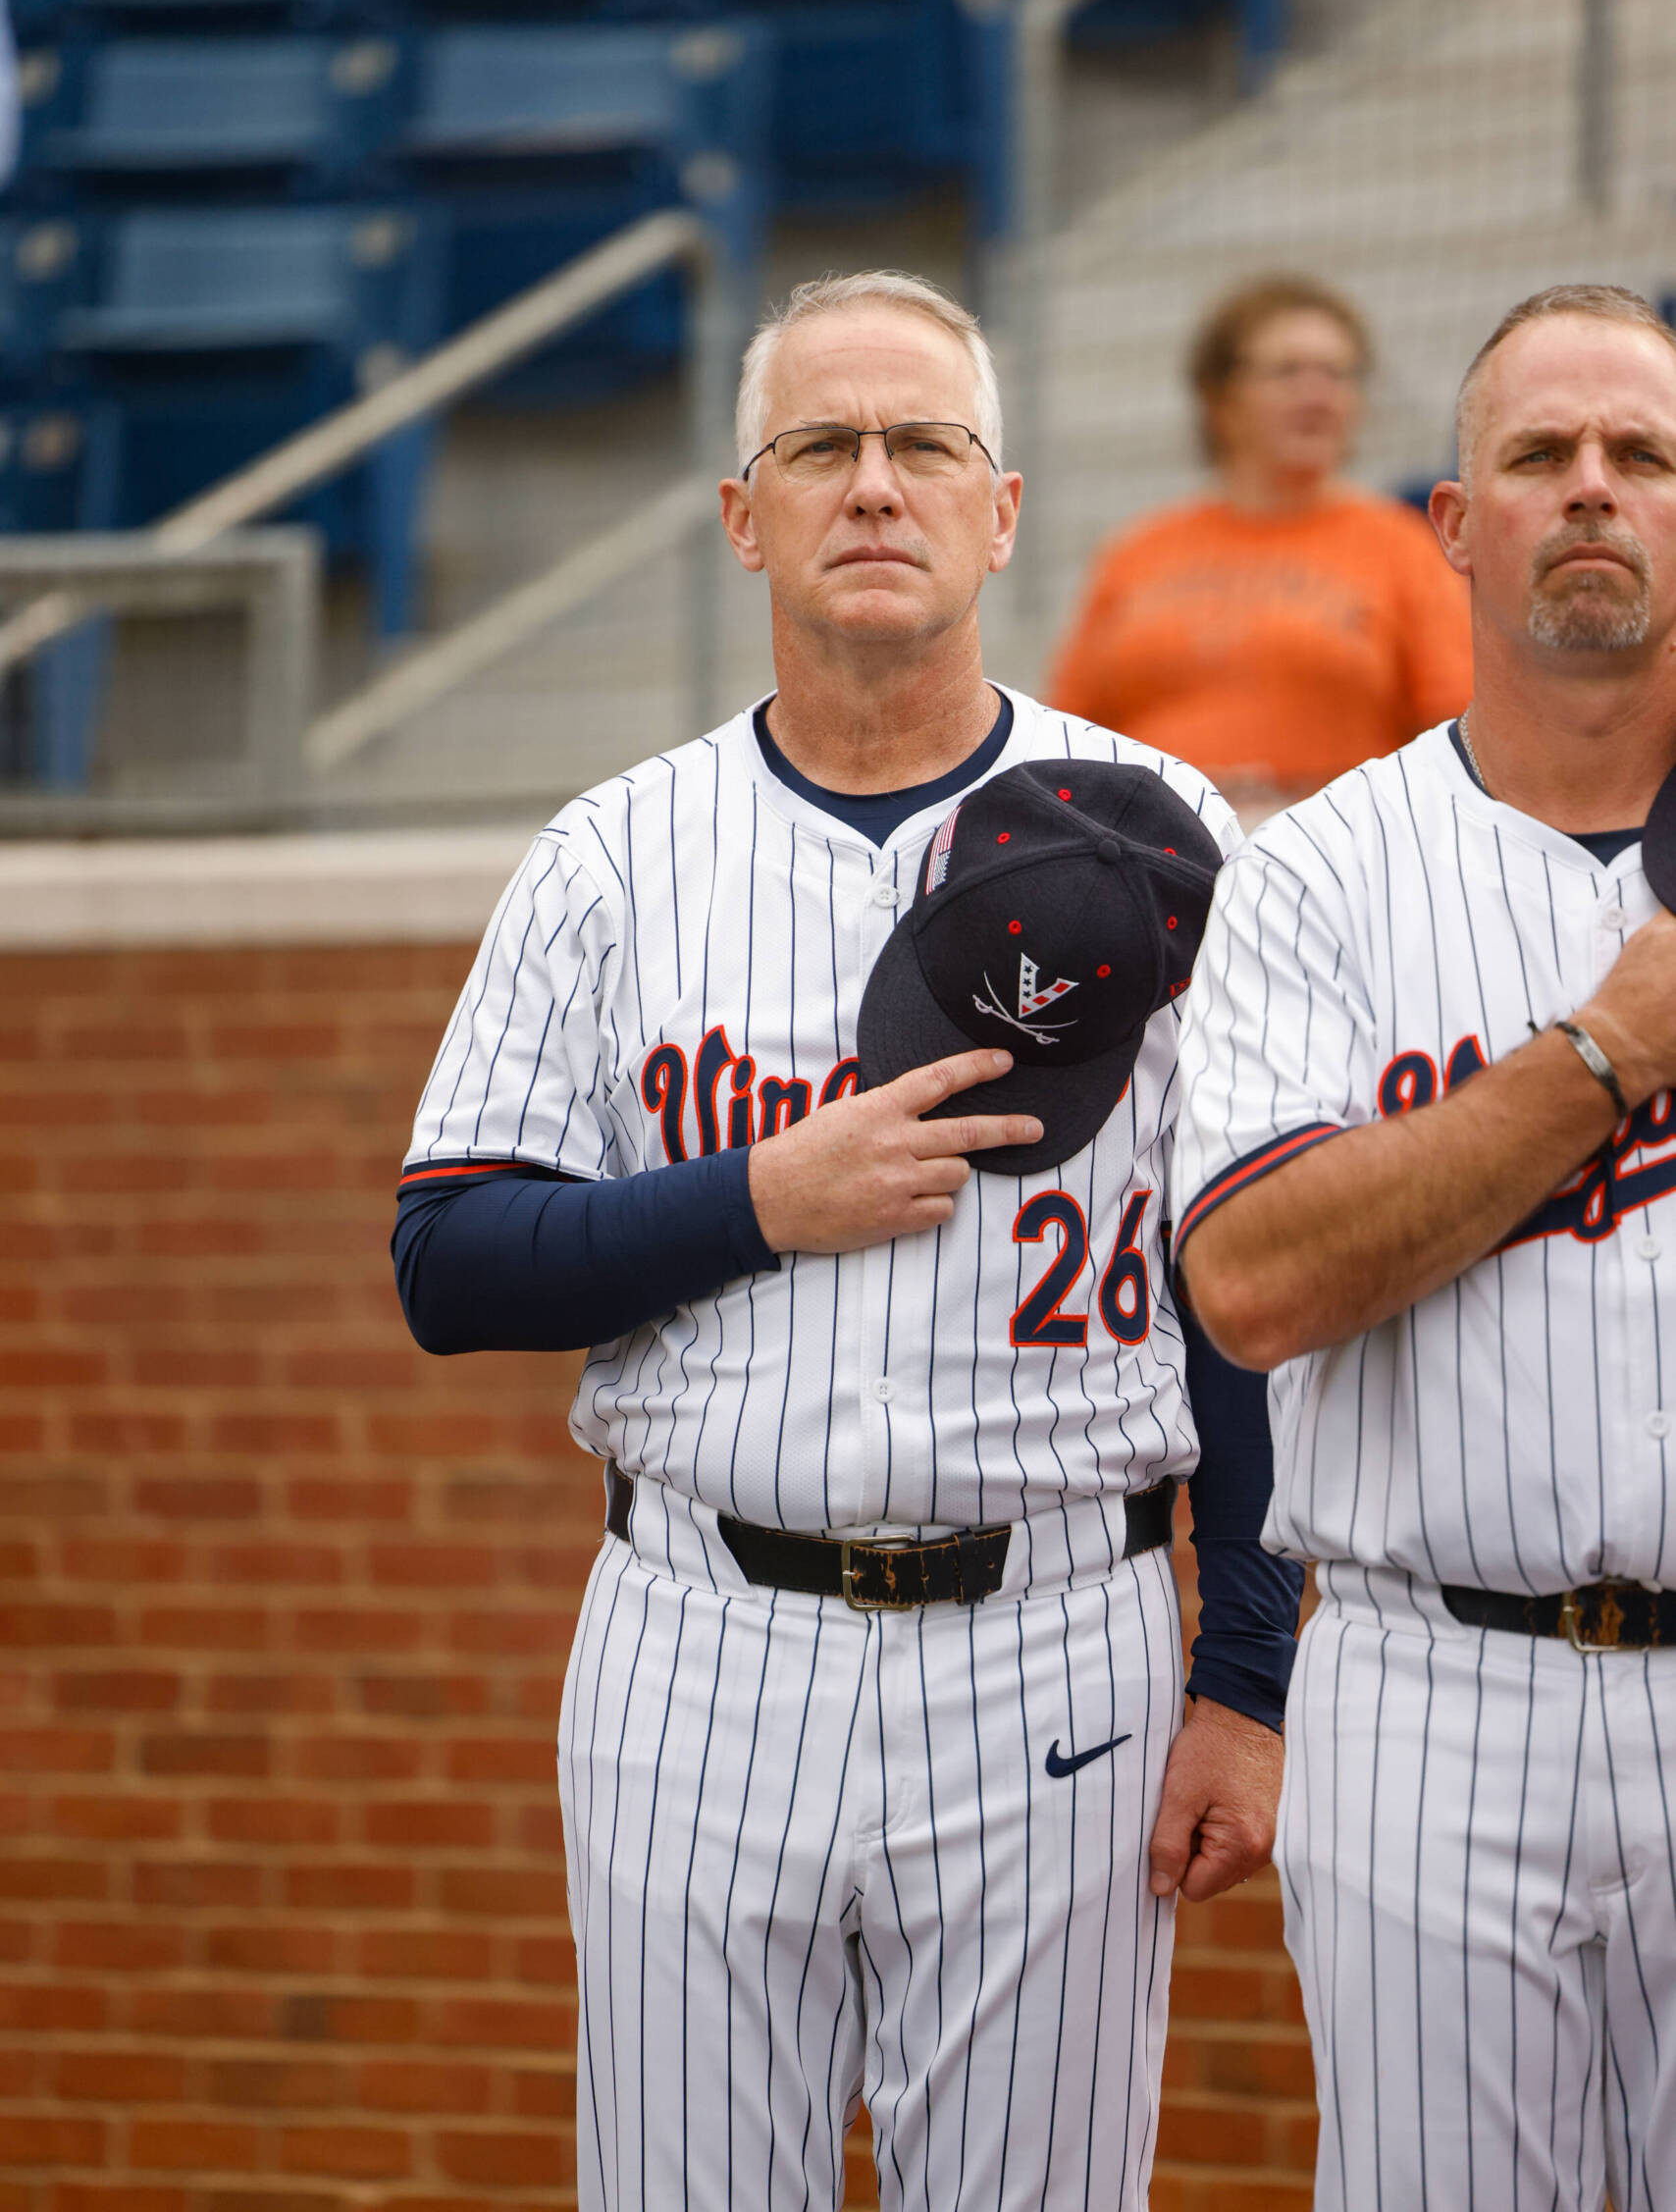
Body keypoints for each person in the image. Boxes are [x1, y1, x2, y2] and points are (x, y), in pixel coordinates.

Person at [393, 269, 1302, 2212]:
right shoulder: (612, 856)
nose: (871, 483)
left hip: (1058, 1639)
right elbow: (448, 1260)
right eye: (820, 444)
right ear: (743, 512)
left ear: (1000, 506)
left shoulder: (1165, 839)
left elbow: (1239, 1287)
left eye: (922, 445)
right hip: (696, 1636)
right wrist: (754, 1200)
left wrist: (1243, 1670)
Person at [1172, 282, 1676, 2212]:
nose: (1590, 490)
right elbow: (1250, 1275)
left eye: (1637, 455)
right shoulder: (1313, 872)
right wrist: (1601, 1056)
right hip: (1431, 1687)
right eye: (1536, 456)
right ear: (1449, 525)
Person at [1047, 274, 1472, 822]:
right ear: (1219, 396)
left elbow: (1456, 734)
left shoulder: (1402, 546)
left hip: (1334, 842)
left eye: (1338, 374)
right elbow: (1066, 736)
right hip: (1149, 845)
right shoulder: (1137, 551)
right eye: (1287, 372)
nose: (1318, 395)